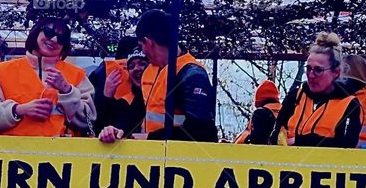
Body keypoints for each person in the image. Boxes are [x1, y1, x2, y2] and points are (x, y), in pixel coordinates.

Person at [0, 18, 96, 137]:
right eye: (49, 32)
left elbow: (88, 120)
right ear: (36, 32)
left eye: (62, 38)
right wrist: (19, 110)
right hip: (13, 153)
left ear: (65, 46)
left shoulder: (77, 75)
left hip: (63, 153)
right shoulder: (2, 72)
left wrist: (67, 91)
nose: (54, 39)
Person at [136, 10, 217, 142]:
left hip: (180, 160)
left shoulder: (191, 74)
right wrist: (121, 130)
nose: (143, 52)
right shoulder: (151, 71)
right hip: (153, 158)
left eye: (141, 46)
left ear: (148, 42)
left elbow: (202, 132)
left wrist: (152, 138)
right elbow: (138, 113)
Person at [271, 32, 362, 148]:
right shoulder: (295, 96)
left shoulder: (350, 105)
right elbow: (276, 135)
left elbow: (347, 145)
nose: (311, 75)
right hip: (289, 164)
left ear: (336, 72)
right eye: (308, 69)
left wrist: (300, 141)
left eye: (318, 70)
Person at [97, 46, 149, 143]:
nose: (136, 69)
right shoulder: (125, 102)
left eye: (142, 64)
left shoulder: (163, 95)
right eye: (131, 66)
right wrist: (106, 96)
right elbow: (99, 128)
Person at [234, 80, 284, 145]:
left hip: (262, 153)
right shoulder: (288, 113)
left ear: (258, 101)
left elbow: (241, 142)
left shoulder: (260, 115)